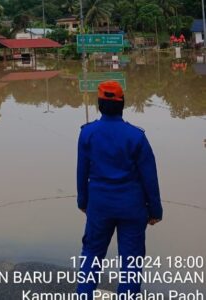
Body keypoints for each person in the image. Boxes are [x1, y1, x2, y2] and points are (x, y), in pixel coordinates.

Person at [76, 81, 163, 297]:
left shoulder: (88, 134)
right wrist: (155, 211)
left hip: (99, 206)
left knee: (92, 254)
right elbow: (149, 178)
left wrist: (83, 202)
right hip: (132, 208)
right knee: (131, 261)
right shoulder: (136, 136)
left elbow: (82, 172)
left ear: (99, 105)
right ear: (122, 103)